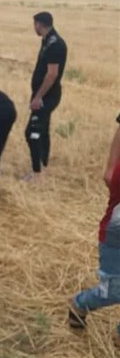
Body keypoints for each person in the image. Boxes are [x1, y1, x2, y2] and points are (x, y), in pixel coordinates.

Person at [68, 113, 120, 348]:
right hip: (115, 233)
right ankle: (80, 303)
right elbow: (110, 177)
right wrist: (110, 167)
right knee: (114, 290)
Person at [24, 11, 67, 182]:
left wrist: (38, 97)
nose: (34, 27)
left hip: (47, 96)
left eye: (35, 24)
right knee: (43, 130)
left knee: (32, 132)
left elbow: (52, 74)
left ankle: (37, 173)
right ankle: (44, 165)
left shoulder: (55, 44)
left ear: (39, 24)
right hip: (44, 94)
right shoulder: (47, 41)